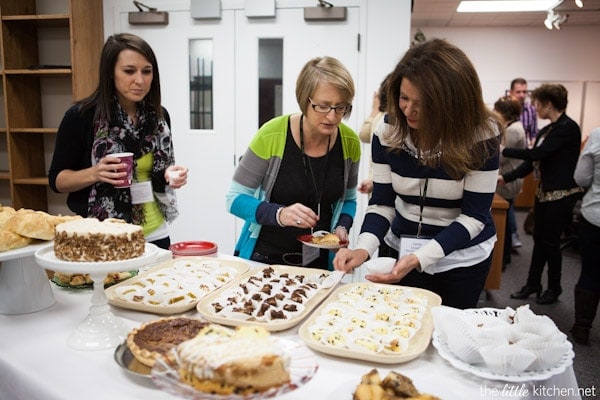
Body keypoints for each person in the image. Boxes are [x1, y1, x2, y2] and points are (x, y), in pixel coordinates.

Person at [332, 38, 502, 309]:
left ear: (452, 104)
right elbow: (382, 204)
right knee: (398, 328)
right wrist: (362, 248)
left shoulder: (481, 134)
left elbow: (474, 217)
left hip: (461, 257)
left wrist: (420, 257)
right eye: (403, 98)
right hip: (401, 247)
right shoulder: (387, 131)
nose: (409, 111)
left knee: (448, 334)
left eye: (423, 103)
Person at [48, 33, 188, 250]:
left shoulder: (159, 116)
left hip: (155, 233)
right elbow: (57, 180)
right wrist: (95, 173)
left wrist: (170, 175)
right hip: (103, 235)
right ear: (110, 73)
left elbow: (159, 171)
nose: (140, 80)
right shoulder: (81, 116)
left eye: (147, 71)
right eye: (129, 71)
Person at [226, 56, 360, 270]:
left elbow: (349, 200)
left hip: (318, 262)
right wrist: (280, 214)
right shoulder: (271, 135)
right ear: (304, 100)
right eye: (323, 106)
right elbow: (234, 199)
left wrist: (342, 226)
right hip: (266, 257)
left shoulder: (350, 142)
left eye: (340, 107)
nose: (332, 117)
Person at [500, 83, 583, 305]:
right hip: (545, 193)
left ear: (548, 104)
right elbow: (533, 162)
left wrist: (503, 151)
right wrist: (505, 177)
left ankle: (554, 288)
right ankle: (533, 283)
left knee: (551, 242)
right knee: (539, 239)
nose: (535, 108)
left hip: (562, 195)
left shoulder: (568, 128)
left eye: (537, 104)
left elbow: (538, 152)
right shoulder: (547, 130)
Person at [571, 127, 600, 345]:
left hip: (596, 215)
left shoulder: (598, 135)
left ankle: (582, 327)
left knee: (591, 272)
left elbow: (581, 177)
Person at [493, 96, 526, 270]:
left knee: (503, 221)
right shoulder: (512, 127)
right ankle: (505, 254)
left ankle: (503, 258)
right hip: (508, 177)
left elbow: (499, 157)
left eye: (497, 110)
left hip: (507, 179)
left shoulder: (512, 131)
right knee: (507, 217)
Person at [508, 77, 538, 250]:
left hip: (523, 155)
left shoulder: (531, 110)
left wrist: (533, 145)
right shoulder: (507, 107)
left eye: (524, 91)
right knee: (509, 199)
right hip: (509, 153)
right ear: (511, 92)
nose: (521, 95)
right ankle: (512, 234)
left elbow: (533, 132)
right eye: (518, 91)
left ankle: (512, 234)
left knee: (512, 197)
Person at [357, 74, 390, 195]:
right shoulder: (382, 118)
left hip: (379, 186)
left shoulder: (382, 119)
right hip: (375, 184)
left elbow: (363, 134)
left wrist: (375, 108)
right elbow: (365, 135)